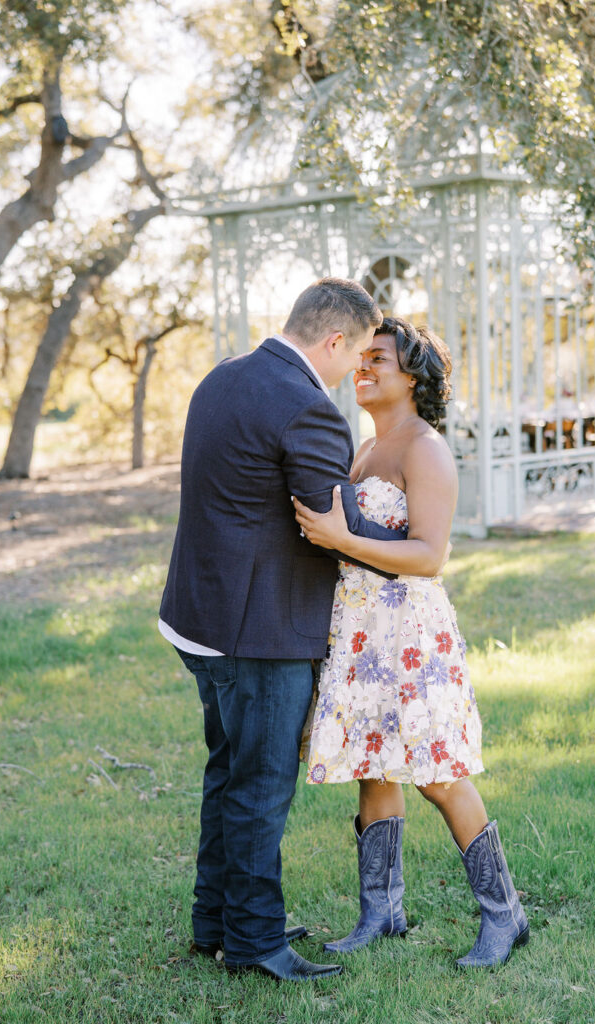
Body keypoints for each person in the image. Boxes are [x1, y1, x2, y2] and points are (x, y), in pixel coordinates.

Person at [158, 280, 442, 982]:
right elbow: (334, 531)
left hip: (198, 616)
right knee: (259, 785)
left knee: (228, 773)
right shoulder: (306, 408)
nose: (354, 374)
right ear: (334, 341)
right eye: (356, 357)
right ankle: (255, 944)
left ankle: (214, 924)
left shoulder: (222, 378)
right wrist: (413, 543)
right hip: (259, 630)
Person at [294, 317, 529, 968]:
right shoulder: (365, 449)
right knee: (372, 764)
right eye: (360, 357)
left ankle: (506, 917)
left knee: (438, 774)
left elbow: (429, 554)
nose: (362, 367)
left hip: (409, 631)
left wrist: (342, 540)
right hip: (360, 628)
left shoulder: (424, 448)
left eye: (378, 359)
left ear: (413, 377)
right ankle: (382, 912)